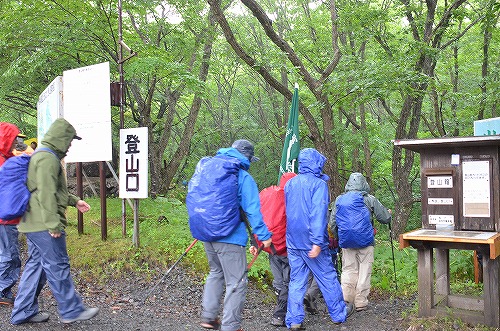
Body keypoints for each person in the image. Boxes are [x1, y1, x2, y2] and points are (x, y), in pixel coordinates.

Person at [10, 118, 99, 324]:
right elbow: (46, 193)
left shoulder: (43, 156)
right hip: (42, 222)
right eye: (69, 140)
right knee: (57, 264)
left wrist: (74, 201)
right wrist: (53, 224)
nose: (69, 145)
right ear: (61, 138)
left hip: (33, 221)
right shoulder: (47, 158)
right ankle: (71, 310)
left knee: (37, 266)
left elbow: (52, 191)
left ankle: (22, 311)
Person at [199, 139, 272, 331]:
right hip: (230, 238)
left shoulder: (210, 170)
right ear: (247, 157)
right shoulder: (242, 177)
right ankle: (231, 326)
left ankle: (208, 317)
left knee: (216, 273)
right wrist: (263, 236)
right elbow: (253, 210)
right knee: (237, 281)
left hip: (207, 233)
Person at [284, 148, 353, 330]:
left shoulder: (290, 184)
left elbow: (289, 213)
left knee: (297, 281)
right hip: (311, 241)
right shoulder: (318, 185)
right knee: (327, 277)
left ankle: (294, 321)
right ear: (316, 163)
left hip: (293, 240)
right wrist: (316, 242)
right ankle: (339, 314)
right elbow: (317, 214)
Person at [329, 172, 391, 312]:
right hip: (366, 241)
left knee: (349, 269)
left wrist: (339, 237)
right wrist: (389, 214)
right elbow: (384, 218)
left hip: (346, 242)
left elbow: (332, 223)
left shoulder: (339, 200)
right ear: (364, 184)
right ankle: (361, 302)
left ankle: (346, 299)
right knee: (364, 270)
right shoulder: (369, 199)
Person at [253, 172, 296, 327]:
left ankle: (282, 310)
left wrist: (255, 241)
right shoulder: (292, 199)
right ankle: (279, 315)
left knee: (279, 281)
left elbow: (256, 215)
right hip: (286, 247)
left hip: (269, 245)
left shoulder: (267, 193)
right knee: (288, 282)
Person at [0, 122, 23, 306]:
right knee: (10, 255)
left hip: (5, 217)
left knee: (5, 254)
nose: (16, 141)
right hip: (5, 219)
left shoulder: (6, 158)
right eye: (14, 138)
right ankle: (2, 292)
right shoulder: (2, 162)